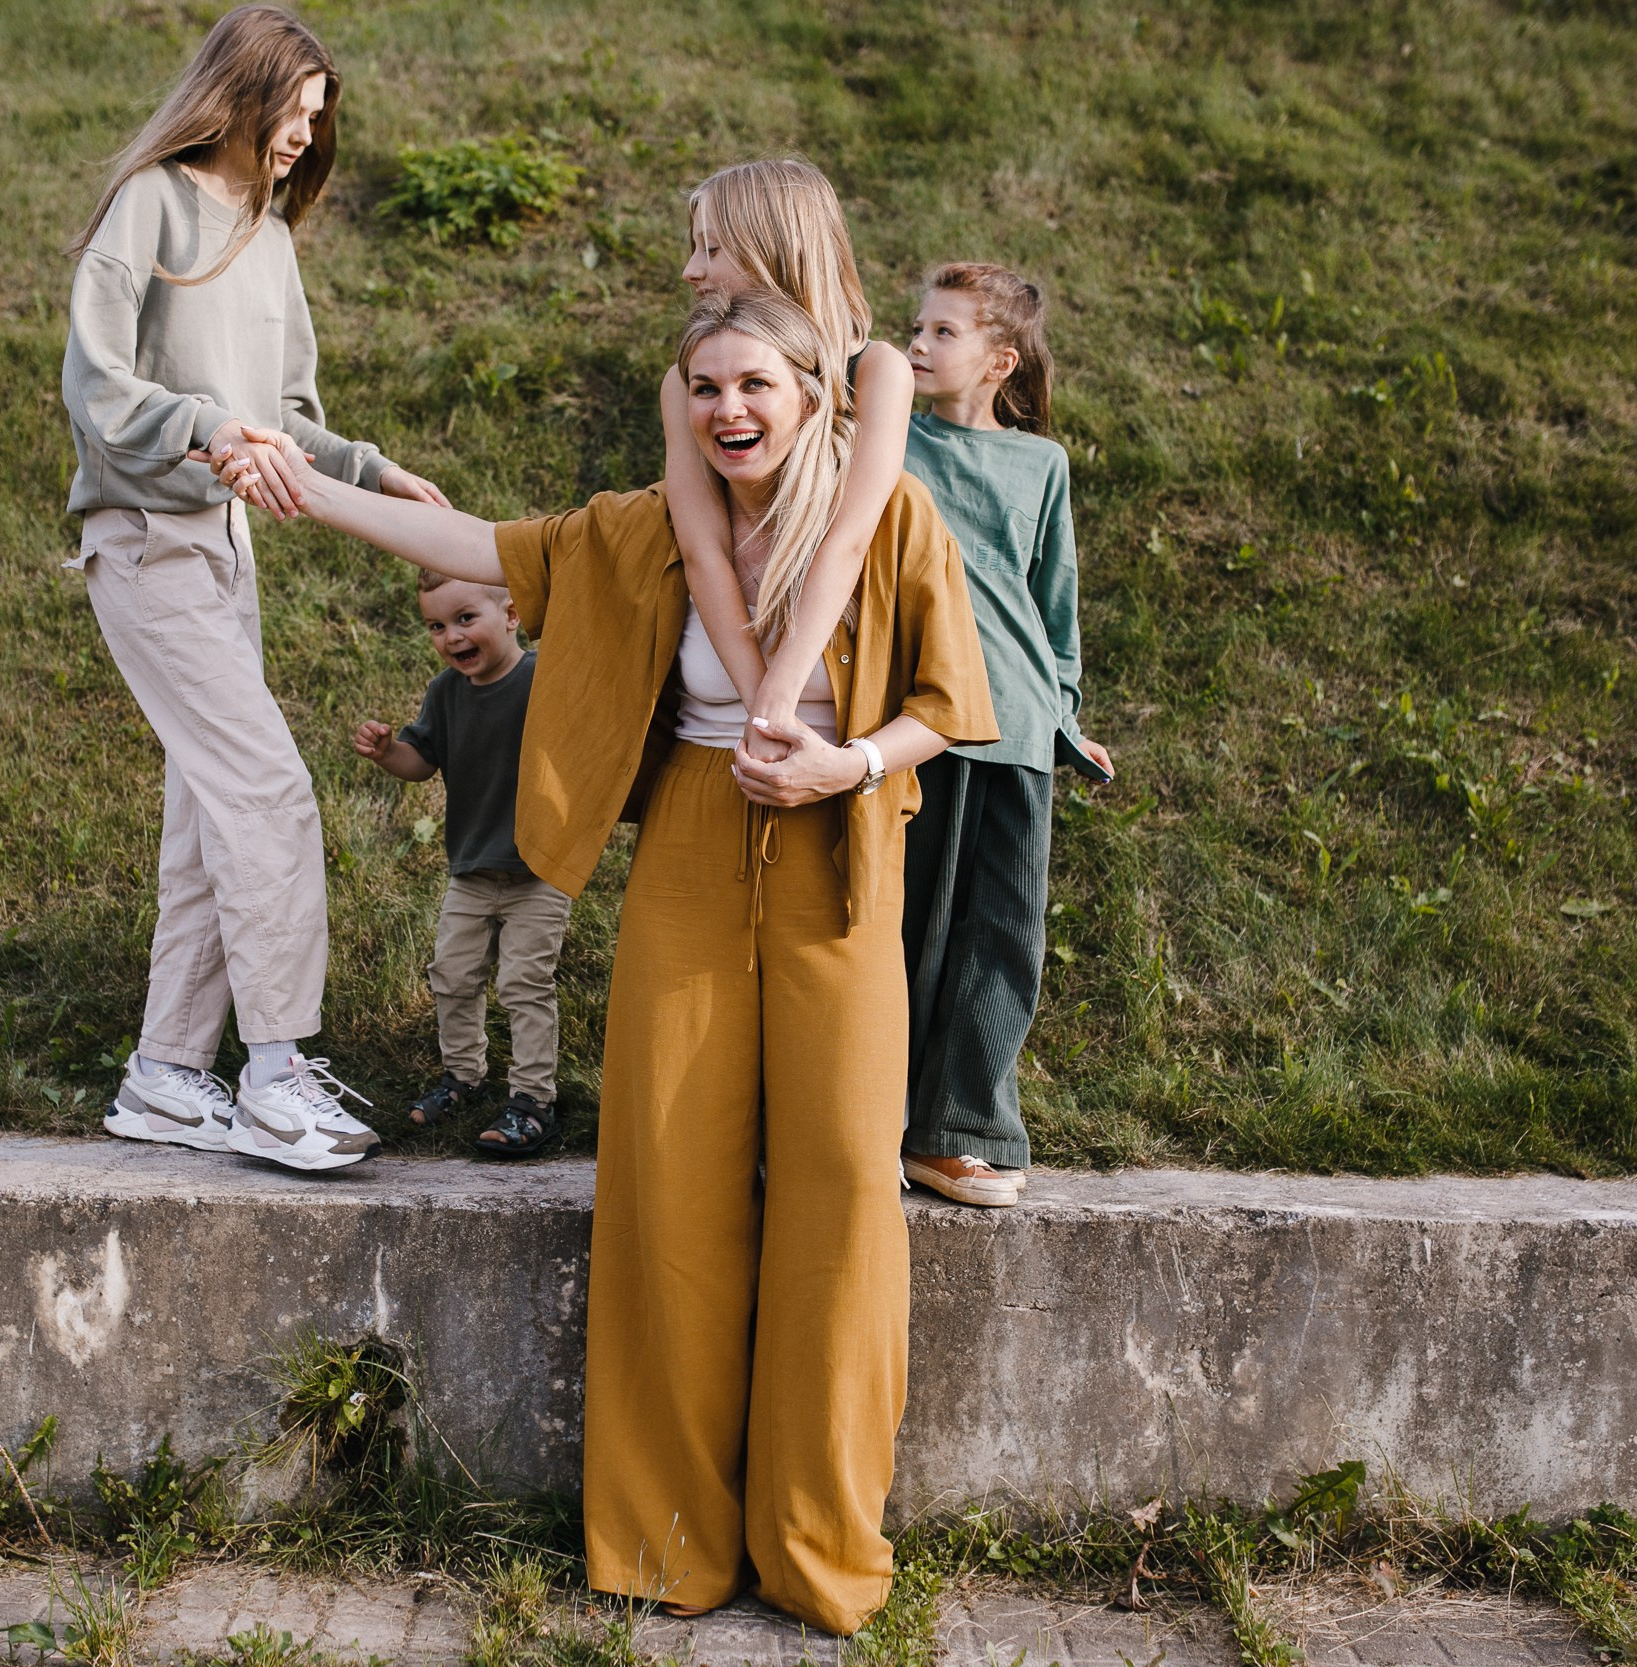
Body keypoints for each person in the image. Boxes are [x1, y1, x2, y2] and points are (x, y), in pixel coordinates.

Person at [220, 291, 997, 1636]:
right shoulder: (645, 529)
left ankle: (818, 1545)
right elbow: (474, 544)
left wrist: (850, 761)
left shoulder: (889, 517)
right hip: (693, 845)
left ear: (811, 394)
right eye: (705, 389)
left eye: (754, 384)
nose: (728, 410)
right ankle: (667, 1540)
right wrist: (307, 487)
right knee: (668, 1185)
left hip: (844, 852)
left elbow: (948, 699)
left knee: (839, 1194)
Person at [58, 4, 449, 1170]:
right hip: (145, 539)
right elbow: (98, 385)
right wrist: (205, 426)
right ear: (243, 91)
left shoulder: (270, 239)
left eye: (319, 120)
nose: (306, 136)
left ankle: (166, 1074)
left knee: (208, 813)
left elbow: (280, 420)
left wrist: (374, 470)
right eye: (297, 110)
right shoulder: (151, 201)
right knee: (269, 792)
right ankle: (276, 1077)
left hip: (226, 548)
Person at [897, 263, 1116, 1207]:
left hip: (1019, 728)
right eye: (916, 326)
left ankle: (959, 1134)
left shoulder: (1042, 464)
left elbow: (1053, 609)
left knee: (1001, 936)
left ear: (1000, 361)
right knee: (902, 930)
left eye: (944, 332)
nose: (917, 343)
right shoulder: (885, 441)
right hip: (916, 726)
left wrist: (1066, 719)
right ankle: (870, 1122)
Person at [661, 159, 914, 776]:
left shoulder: (875, 370)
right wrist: (764, 712)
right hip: (727, 651)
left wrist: (782, 691)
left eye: (712, 249)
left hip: (855, 660)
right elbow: (702, 549)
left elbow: (849, 537)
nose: (690, 269)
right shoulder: (683, 380)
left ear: (774, 250)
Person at [350, 571, 572, 1155]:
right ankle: (463, 1078)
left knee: (524, 983)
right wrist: (388, 753)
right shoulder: (446, 692)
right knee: (452, 976)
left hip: (538, 870)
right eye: (436, 626)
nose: (451, 637)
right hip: (471, 870)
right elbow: (420, 762)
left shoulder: (542, 678)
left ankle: (533, 1100)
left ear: (512, 615)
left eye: (465, 619)